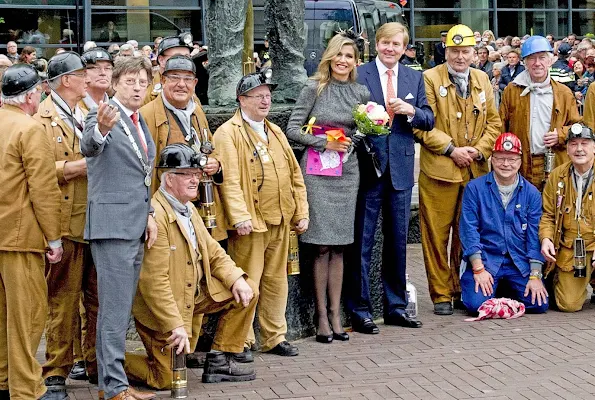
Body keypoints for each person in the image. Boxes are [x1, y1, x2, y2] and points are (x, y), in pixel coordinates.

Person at [125, 144, 258, 388]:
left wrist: (236, 279)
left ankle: (220, 359)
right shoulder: (158, 217)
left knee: (248, 289)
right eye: (186, 174)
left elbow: (214, 252)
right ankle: (107, 362)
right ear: (168, 179)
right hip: (163, 313)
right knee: (165, 380)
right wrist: (174, 324)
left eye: (196, 174)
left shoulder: (187, 208)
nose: (195, 179)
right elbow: (154, 282)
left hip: (190, 298)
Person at [341, 22, 434, 333]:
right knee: (363, 242)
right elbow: (348, 114)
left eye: (396, 44)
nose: (390, 49)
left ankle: (395, 306)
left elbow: (429, 119)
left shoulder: (414, 76)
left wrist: (411, 111)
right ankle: (360, 308)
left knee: (397, 243)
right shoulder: (360, 73)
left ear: (404, 47)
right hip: (369, 167)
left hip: (401, 170)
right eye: (385, 43)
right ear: (376, 45)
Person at [213, 70, 308, 356]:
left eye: (268, 96)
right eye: (259, 96)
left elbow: (294, 174)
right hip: (251, 224)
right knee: (247, 281)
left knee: (277, 282)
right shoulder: (228, 133)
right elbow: (228, 180)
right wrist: (239, 217)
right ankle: (240, 340)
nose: (266, 101)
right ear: (242, 100)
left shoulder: (275, 130)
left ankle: (274, 337)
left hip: (280, 220)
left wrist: (301, 211)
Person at [81, 56, 157, 400]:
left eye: (143, 81)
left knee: (120, 309)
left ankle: (114, 384)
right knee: (112, 311)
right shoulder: (101, 115)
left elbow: (143, 176)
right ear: (114, 84)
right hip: (111, 227)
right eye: (130, 81)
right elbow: (90, 146)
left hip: (136, 225)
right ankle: (112, 388)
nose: (137, 87)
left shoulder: (140, 122)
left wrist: (150, 214)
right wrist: (102, 128)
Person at [286, 31, 368, 342]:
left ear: (355, 61)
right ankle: (320, 315)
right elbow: (292, 128)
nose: (343, 61)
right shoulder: (314, 87)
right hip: (318, 172)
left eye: (349, 56)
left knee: (340, 246)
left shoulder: (361, 93)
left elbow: (364, 130)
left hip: (347, 173)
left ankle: (337, 314)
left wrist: (355, 139)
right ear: (329, 58)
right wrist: (323, 143)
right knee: (320, 246)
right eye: (339, 55)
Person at [414, 24, 501, 316]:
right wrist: (452, 149)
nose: (460, 57)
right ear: (446, 51)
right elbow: (422, 125)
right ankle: (441, 293)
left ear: (475, 54)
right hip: (439, 171)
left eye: (465, 51)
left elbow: (494, 122)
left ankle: (459, 287)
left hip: (474, 171)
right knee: (436, 236)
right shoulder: (427, 78)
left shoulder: (482, 79)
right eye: (454, 51)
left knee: (467, 234)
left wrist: (478, 150)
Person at [32, 51, 94, 400]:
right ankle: (55, 371)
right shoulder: (43, 118)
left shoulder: (84, 112)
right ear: (65, 81)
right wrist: (73, 168)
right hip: (65, 222)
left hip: (92, 220)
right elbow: (38, 170)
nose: (88, 80)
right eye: (82, 74)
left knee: (93, 299)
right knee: (63, 300)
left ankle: (87, 361)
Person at [0, 64, 63, 399]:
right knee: (27, 318)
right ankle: (26, 388)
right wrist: (54, 239)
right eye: (39, 90)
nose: (41, 95)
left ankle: (4, 381)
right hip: (20, 238)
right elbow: (44, 188)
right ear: (29, 95)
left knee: (2, 317)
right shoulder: (30, 127)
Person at [460, 133, 548, 314]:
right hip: (486, 261)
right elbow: (469, 230)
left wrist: (535, 275)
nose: (506, 164)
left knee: (540, 304)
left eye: (512, 159)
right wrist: (478, 269)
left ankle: (504, 290)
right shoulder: (474, 188)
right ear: (492, 159)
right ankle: (496, 289)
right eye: (500, 158)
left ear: (520, 160)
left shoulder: (532, 193)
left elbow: (534, 236)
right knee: (475, 305)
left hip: (518, 263)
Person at [139, 55, 226, 240]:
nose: (181, 84)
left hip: (199, 205)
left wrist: (215, 164)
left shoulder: (197, 111)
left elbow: (210, 146)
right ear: (162, 80)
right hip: (163, 209)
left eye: (187, 79)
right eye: (174, 77)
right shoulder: (145, 115)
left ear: (195, 83)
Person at [499, 36, 580, 192]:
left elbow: (577, 127)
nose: (537, 63)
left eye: (542, 58)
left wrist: (561, 135)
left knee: (552, 211)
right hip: (520, 164)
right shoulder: (512, 90)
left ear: (550, 61)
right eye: (532, 58)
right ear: (524, 62)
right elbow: (501, 125)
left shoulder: (563, 93)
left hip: (554, 164)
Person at [540, 124, 595, 312]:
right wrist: (546, 239)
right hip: (571, 248)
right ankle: (557, 279)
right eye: (573, 144)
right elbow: (547, 214)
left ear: (594, 147)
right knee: (568, 305)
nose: (579, 149)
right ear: (567, 148)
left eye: (585, 143)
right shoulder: (557, 176)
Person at [143, 33, 193, 106]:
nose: (183, 61)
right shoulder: (145, 89)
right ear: (161, 60)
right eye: (177, 57)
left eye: (187, 57)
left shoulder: (189, 87)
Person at [80, 48, 113, 112]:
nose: (103, 73)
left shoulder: (116, 107)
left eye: (107, 68)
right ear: (83, 73)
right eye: (96, 68)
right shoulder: (74, 107)